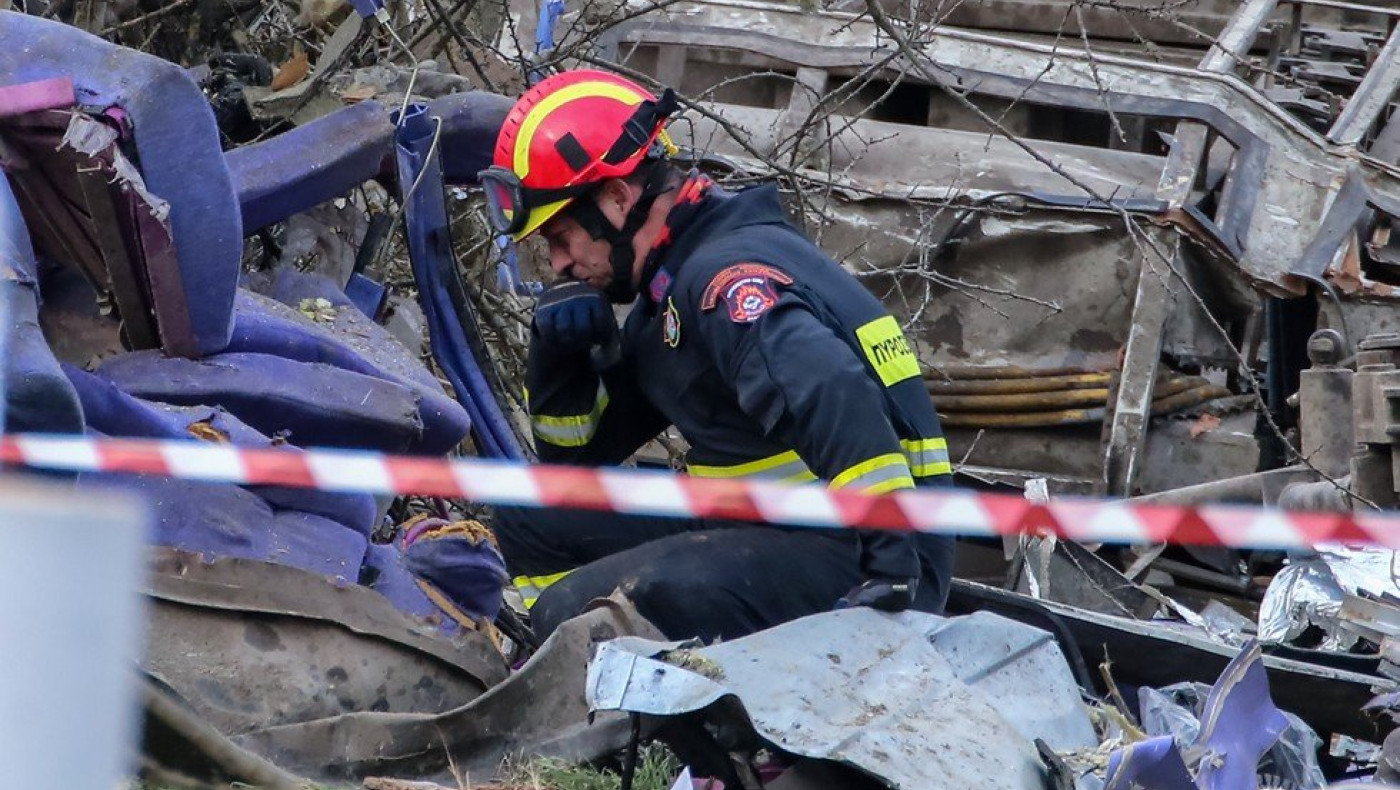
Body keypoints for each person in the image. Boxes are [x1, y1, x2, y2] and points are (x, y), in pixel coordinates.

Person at [478, 69, 956, 642]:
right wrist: (558, 354)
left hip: (863, 552)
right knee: (530, 518)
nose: (557, 264)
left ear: (615, 198)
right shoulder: (672, 290)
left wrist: (891, 566)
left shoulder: (723, 282)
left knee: (585, 612)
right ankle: (573, 672)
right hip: (769, 528)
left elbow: (832, 387)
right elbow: (574, 466)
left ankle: (636, 704)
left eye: (560, 239)